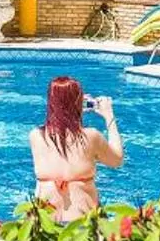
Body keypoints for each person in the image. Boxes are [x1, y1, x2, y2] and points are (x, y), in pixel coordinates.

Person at [29, 75, 123, 222]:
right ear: (79, 102)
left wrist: (71, 105)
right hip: (82, 222)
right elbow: (117, 160)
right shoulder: (91, 137)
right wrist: (109, 115)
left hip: (44, 224)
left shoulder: (36, 136)